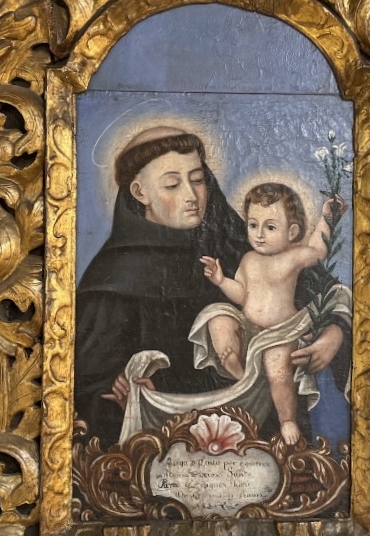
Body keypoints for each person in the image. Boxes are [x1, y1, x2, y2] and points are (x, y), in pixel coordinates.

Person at [74, 125, 348, 445]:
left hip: (262, 439)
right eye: (173, 184)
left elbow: (327, 294)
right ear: (140, 192)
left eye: (197, 179)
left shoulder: (236, 242)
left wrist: (335, 334)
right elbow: (87, 386)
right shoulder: (114, 277)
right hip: (167, 445)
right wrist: (129, 395)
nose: (192, 196)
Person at [200, 183, 345, 445]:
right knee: (216, 317)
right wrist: (221, 281)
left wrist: (327, 218)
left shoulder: (292, 257)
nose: (259, 234)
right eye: (253, 225)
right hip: (251, 329)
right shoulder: (248, 259)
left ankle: (287, 419)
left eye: (270, 227)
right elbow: (241, 294)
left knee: (276, 362)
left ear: (292, 232)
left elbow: (318, 250)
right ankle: (237, 371)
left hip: (283, 331)